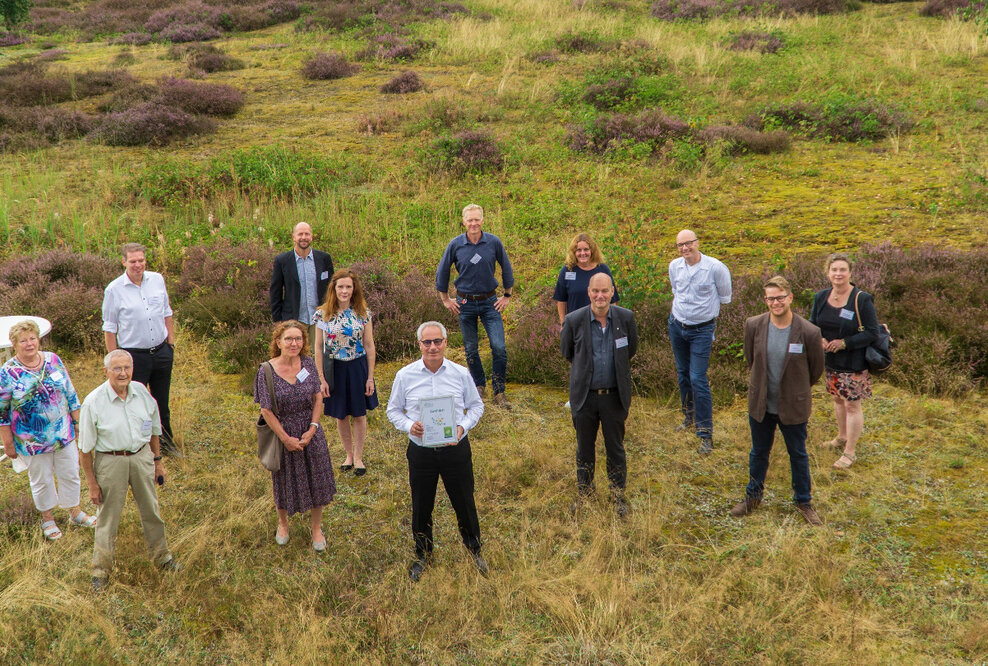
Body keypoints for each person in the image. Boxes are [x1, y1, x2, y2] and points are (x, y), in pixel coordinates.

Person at [386, 321, 487, 582]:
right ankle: (422, 554)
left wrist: (463, 427)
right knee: (422, 504)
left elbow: (476, 407)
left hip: (455, 450)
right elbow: (393, 410)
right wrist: (410, 426)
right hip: (421, 452)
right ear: (419, 344)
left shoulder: (460, 373)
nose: (433, 347)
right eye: (427, 342)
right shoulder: (404, 376)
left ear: (445, 342)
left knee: (464, 501)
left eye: (437, 341)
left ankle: (474, 550)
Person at [78, 350, 180, 592]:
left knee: (151, 510)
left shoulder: (142, 393)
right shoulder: (94, 402)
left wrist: (157, 461)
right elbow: (84, 450)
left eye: (127, 368)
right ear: (106, 372)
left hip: (142, 457)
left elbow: (154, 429)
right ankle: (100, 570)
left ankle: (162, 558)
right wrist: (92, 484)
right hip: (111, 461)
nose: (123, 373)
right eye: (117, 369)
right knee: (107, 518)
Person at [730, 276, 825, 526]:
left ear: (790, 298)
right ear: (766, 300)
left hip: (793, 404)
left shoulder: (809, 331)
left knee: (798, 454)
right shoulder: (753, 325)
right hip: (761, 404)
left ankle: (803, 501)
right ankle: (753, 497)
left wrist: (795, 389)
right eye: (771, 298)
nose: (776, 302)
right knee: (758, 452)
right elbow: (752, 360)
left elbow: (815, 371)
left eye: (780, 297)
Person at [0, 319, 94, 540]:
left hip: (64, 434)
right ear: (14, 344)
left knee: (70, 473)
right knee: (41, 479)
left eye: (32, 338)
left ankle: (75, 512)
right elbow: (2, 412)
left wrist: (78, 423)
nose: (29, 343)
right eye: (23, 340)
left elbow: (70, 392)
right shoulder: (7, 372)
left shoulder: (53, 359)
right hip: (31, 441)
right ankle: (48, 519)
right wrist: (8, 442)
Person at [561, 273, 638, 518]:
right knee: (584, 448)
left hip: (614, 397)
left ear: (612, 291)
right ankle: (585, 493)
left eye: (605, 291)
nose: (600, 296)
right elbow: (568, 352)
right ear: (588, 292)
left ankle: (618, 495)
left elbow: (630, 350)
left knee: (615, 448)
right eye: (595, 291)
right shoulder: (573, 320)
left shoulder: (626, 318)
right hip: (585, 397)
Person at [255, 321, 335, 550]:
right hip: (283, 432)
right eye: (288, 339)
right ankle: (283, 523)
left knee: (317, 479)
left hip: (309, 430)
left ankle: (316, 528)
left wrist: (313, 428)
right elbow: (266, 410)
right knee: (283, 481)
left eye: (298, 339)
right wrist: (285, 438)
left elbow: (317, 397)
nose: (294, 343)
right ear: (278, 342)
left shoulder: (308, 364)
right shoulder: (266, 371)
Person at [102, 242, 180, 457]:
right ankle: (139, 445)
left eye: (141, 260)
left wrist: (170, 343)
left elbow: (167, 312)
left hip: (161, 351)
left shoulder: (157, 279)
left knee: (161, 401)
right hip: (134, 356)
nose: (138, 265)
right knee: (133, 403)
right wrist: (114, 361)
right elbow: (109, 327)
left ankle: (166, 444)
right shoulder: (114, 290)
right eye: (133, 261)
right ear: (124, 262)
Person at [436, 203, 514, 409]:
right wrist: (445, 299)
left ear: (482, 220)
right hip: (464, 304)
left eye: (477, 219)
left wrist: (507, 295)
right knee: (470, 350)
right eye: (469, 220)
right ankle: (479, 386)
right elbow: (443, 271)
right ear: (463, 221)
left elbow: (506, 267)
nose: (473, 223)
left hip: (490, 304)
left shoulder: (493, 242)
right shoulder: (456, 245)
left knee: (499, 347)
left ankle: (499, 391)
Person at [809, 252, 880, 470]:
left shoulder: (861, 299)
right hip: (831, 362)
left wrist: (845, 343)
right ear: (828, 272)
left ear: (850, 272)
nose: (838, 274)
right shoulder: (820, 297)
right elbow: (813, 324)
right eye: (834, 270)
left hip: (853, 362)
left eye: (842, 270)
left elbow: (872, 332)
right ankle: (841, 438)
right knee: (838, 400)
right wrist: (819, 339)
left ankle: (850, 452)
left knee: (851, 404)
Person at [667, 229, 732, 454]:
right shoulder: (674, 266)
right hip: (677, 325)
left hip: (702, 330)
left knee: (697, 378)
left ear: (697, 242)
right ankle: (689, 418)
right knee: (683, 374)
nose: (685, 248)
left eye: (689, 243)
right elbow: (676, 291)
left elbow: (725, 297)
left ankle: (705, 434)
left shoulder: (715, 268)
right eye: (680, 245)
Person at [314, 269, 379, 476]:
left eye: (348, 287)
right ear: (334, 288)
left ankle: (359, 457)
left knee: (359, 414)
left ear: (354, 289)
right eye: (340, 286)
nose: (344, 291)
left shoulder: (363, 313)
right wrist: (321, 378)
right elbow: (318, 347)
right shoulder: (323, 313)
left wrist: (370, 377)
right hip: (335, 368)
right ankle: (348, 455)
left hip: (357, 366)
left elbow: (369, 344)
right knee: (341, 415)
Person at [269, 222, 335, 344]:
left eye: (307, 234)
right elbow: (275, 291)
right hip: (294, 320)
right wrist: (277, 320)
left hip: (320, 319)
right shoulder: (282, 261)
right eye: (300, 234)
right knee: (296, 358)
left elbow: (332, 287)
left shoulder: (324, 258)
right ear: (294, 237)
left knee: (320, 357)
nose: (303, 237)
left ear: (312, 236)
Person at [552, 233, 619, 326]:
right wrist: (564, 324)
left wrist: (612, 323)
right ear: (574, 252)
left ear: (592, 250)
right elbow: (561, 300)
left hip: (600, 325)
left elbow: (613, 299)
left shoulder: (603, 269)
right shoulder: (567, 270)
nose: (582, 253)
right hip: (575, 326)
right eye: (579, 250)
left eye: (586, 249)